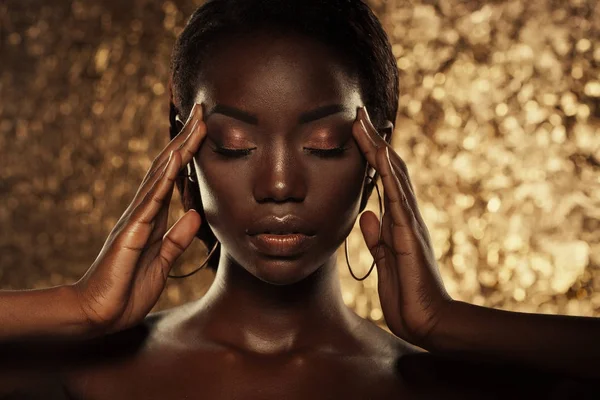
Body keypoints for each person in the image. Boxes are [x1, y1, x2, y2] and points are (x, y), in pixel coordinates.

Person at [0, 0, 598, 398]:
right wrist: (77, 308)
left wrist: (447, 322)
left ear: (376, 153)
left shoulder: (451, 382)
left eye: (324, 144)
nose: (279, 184)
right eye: (235, 145)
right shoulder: (68, 373)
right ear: (182, 147)